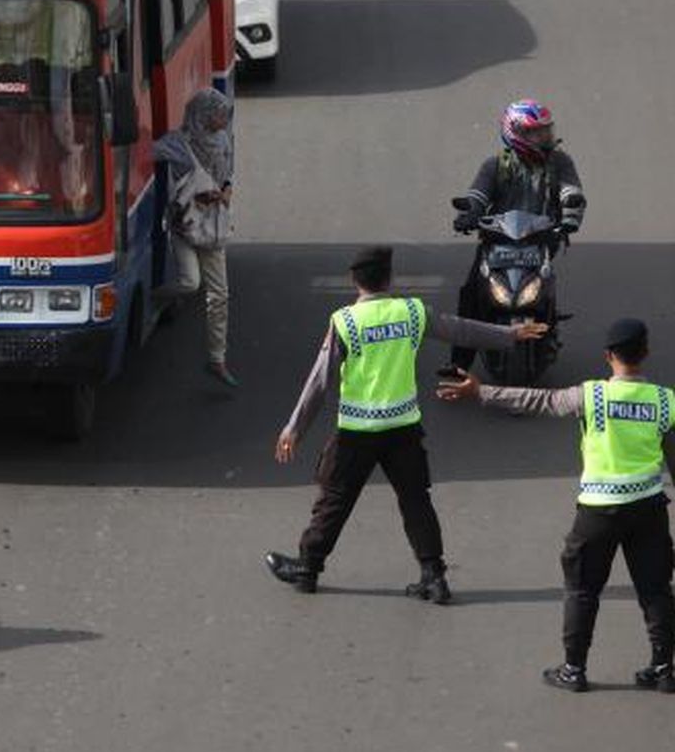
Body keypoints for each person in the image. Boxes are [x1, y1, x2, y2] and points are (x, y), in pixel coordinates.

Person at [266, 246, 548, 601]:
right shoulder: (411, 312)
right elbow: (459, 330)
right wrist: (510, 334)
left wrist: (294, 427)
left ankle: (307, 569)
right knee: (416, 500)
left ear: (355, 281)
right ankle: (434, 576)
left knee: (335, 499)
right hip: (403, 428)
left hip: (357, 432)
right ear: (390, 279)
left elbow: (320, 381)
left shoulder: (346, 321)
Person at [437, 318, 675, 693]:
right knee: (656, 589)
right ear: (645, 354)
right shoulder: (665, 401)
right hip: (648, 509)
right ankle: (663, 669)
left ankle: (574, 670)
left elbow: (539, 401)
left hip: (598, 512)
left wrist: (481, 392)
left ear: (608, 356)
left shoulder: (591, 396)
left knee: (582, 589)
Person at [449, 98, 586, 371]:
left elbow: (571, 190)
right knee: (470, 296)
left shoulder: (560, 161)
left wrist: (570, 214)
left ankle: (548, 321)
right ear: (517, 133)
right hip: (497, 240)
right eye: (536, 131)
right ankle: (458, 365)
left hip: (540, 239)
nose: (544, 136)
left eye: (546, 130)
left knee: (543, 287)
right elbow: (478, 193)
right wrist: (469, 214)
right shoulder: (495, 165)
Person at [154, 88, 238, 387]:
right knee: (190, 283)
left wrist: (224, 191)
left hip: (214, 226)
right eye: (216, 115)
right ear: (202, 115)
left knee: (220, 296)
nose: (222, 120)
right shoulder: (177, 145)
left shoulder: (224, 141)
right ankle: (155, 302)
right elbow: (149, 152)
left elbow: (228, 174)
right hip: (186, 227)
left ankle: (217, 358)